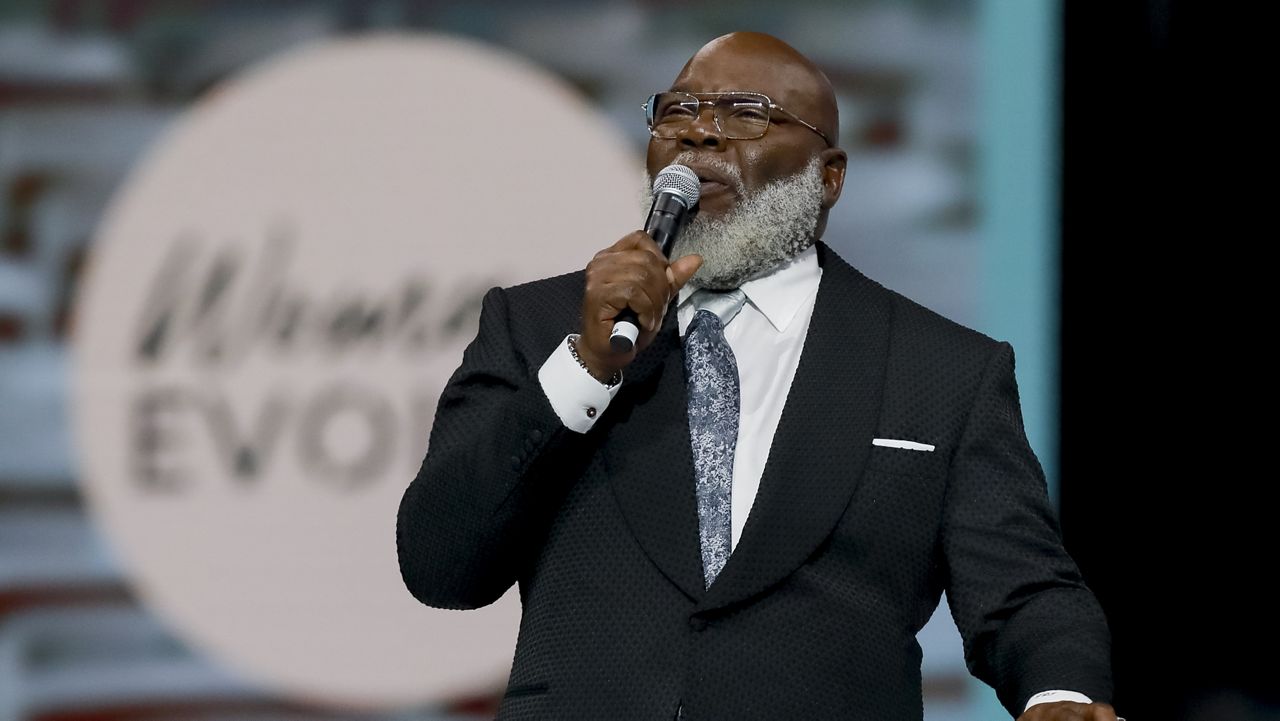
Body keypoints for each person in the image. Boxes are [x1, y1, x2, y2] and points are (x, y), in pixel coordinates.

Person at [397, 32, 1118, 721]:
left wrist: (1057, 689)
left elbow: (1023, 589)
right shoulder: (539, 326)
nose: (699, 133)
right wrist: (587, 367)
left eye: (747, 114)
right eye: (677, 110)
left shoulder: (942, 369)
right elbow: (439, 562)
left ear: (827, 176)